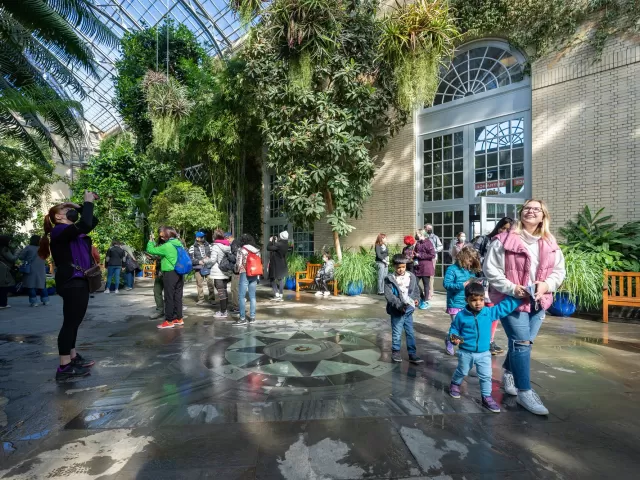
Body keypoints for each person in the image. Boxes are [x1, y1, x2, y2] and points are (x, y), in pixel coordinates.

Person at [484, 199, 566, 416]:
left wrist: (547, 285)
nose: (531, 211)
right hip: (511, 300)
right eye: (527, 208)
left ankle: (509, 372)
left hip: (539, 300)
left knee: (524, 342)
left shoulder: (549, 242)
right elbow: (491, 270)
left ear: (543, 216)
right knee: (521, 343)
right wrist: (513, 289)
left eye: (536, 209)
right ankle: (524, 392)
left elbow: (559, 271)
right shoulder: (503, 240)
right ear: (521, 214)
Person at [39, 192, 99, 381]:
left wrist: (78, 206)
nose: (70, 212)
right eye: (67, 210)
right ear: (58, 217)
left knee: (74, 322)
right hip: (72, 281)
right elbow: (86, 223)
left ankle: (71, 358)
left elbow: (92, 221)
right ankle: (64, 367)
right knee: (70, 323)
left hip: (77, 280)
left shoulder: (72, 231)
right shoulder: (58, 230)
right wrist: (87, 202)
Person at [448, 282, 522, 413]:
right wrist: (454, 337)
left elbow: (503, 307)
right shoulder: (461, 316)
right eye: (474, 300)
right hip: (466, 352)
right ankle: (455, 384)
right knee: (462, 371)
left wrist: (518, 297)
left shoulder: (488, 312)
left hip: (484, 353)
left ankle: (486, 397)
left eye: (481, 300)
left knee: (486, 376)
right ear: (467, 300)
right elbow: (454, 329)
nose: (478, 303)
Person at [472, 216, 514, 354]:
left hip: (498, 282)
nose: (504, 231)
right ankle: (480, 338)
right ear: (498, 227)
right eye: (503, 228)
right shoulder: (484, 239)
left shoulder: (510, 243)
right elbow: (472, 257)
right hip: (483, 280)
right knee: (480, 309)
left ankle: (489, 339)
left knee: (493, 310)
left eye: (508, 229)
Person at [384, 254, 423, 364]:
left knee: (410, 332)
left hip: (409, 310)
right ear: (394, 266)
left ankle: (412, 354)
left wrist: (416, 299)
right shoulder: (389, 279)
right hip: (397, 311)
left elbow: (416, 290)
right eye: (398, 267)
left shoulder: (411, 276)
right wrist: (399, 306)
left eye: (403, 267)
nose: (401, 269)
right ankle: (396, 351)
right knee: (397, 332)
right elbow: (389, 296)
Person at [443, 246, 482, 356]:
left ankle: (454, 342)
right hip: (455, 303)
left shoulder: (470, 271)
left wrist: (475, 284)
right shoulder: (452, 269)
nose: (470, 263)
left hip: (467, 303)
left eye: (472, 261)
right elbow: (446, 284)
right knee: (457, 326)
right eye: (469, 260)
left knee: (465, 327)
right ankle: (450, 341)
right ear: (463, 257)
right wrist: (461, 285)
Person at [146, 227, 185, 329]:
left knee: (169, 297)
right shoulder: (178, 243)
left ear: (168, 234)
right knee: (178, 296)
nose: (161, 236)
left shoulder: (167, 246)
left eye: (163, 234)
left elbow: (151, 250)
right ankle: (179, 318)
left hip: (170, 272)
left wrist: (150, 241)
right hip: (180, 272)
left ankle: (169, 321)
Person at [235, 234, 261, 326]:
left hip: (244, 273)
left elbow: (238, 264)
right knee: (252, 296)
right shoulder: (257, 250)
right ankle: (252, 317)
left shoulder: (241, 250)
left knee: (241, 296)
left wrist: (236, 270)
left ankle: (242, 318)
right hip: (254, 273)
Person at [18, 235, 49, 307]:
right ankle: (45, 300)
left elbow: (21, 257)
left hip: (30, 269)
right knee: (41, 285)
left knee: (31, 285)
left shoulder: (28, 248)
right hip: (41, 270)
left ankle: (34, 302)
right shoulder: (42, 248)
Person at [209, 229, 232, 318]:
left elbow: (213, 260)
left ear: (215, 236)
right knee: (224, 290)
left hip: (218, 271)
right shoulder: (227, 245)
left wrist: (205, 261)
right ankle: (224, 309)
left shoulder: (216, 246)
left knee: (221, 291)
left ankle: (223, 312)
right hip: (225, 271)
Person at [189, 232, 215, 306]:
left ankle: (212, 299)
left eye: (203, 236)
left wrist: (208, 258)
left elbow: (213, 255)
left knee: (210, 283)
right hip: (198, 268)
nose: (203, 238)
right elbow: (190, 259)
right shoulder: (192, 247)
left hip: (208, 266)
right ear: (197, 238)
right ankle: (201, 299)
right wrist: (198, 261)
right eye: (201, 237)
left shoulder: (209, 246)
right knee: (199, 284)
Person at [414, 230, 436, 309]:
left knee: (426, 285)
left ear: (422, 234)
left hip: (426, 267)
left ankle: (426, 301)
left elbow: (432, 255)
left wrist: (419, 255)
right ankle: (422, 297)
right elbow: (416, 252)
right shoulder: (418, 243)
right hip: (418, 267)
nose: (416, 235)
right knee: (414, 283)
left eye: (417, 234)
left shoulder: (428, 243)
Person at [267, 231, 289, 301]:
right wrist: (276, 242)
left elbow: (269, 248)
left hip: (275, 263)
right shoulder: (286, 244)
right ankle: (281, 294)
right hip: (282, 263)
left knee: (272, 278)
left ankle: (276, 293)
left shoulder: (279, 244)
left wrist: (270, 241)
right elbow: (276, 248)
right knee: (281, 279)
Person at [149, 228, 165, 320]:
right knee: (156, 291)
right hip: (159, 271)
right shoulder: (158, 244)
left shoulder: (170, 244)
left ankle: (170, 310)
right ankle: (160, 310)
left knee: (169, 292)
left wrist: (157, 257)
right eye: (160, 234)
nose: (161, 235)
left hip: (168, 272)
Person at [424, 224, 443, 301]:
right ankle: (427, 291)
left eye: (431, 228)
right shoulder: (422, 237)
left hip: (432, 258)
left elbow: (440, 246)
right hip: (424, 258)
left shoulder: (435, 237)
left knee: (431, 275)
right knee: (425, 275)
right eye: (428, 228)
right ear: (425, 229)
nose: (429, 230)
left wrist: (433, 250)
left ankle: (430, 292)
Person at [0, 235, 17, 309]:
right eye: (9, 241)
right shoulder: (4, 249)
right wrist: (17, 252)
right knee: (4, 286)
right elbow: (12, 258)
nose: (10, 242)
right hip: (3, 269)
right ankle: (3, 304)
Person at [226, 233, 240, 314]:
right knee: (235, 288)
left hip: (237, 270)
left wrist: (228, 254)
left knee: (234, 289)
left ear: (229, 238)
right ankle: (237, 306)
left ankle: (236, 307)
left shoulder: (234, 244)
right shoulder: (237, 243)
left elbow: (235, 258)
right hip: (238, 270)